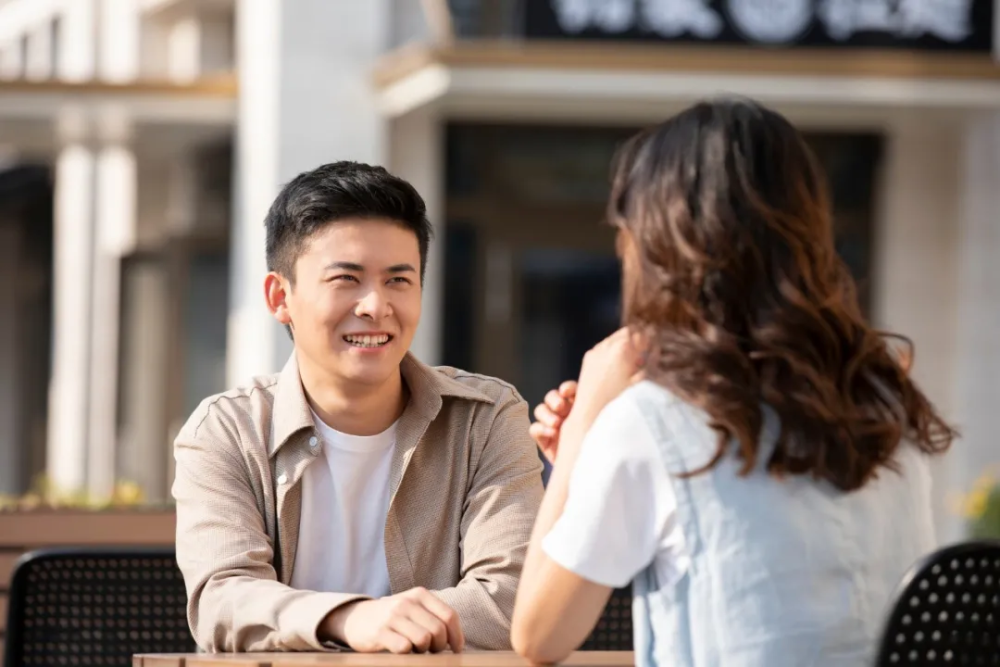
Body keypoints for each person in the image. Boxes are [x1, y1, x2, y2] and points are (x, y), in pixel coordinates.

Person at [510, 98, 955, 666]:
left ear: (658, 246)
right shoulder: (884, 401)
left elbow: (537, 637)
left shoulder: (652, 421)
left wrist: (582, 441)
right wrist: (597, 454)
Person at [172, 162, 544, 654]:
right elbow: (221, 601)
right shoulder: (226, 431)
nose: (375, 305)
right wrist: (348, 619)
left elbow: (513, 603)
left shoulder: (486, 418)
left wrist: (388, 629)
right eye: (346, 278)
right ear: (280, 297)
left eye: (398, 280)